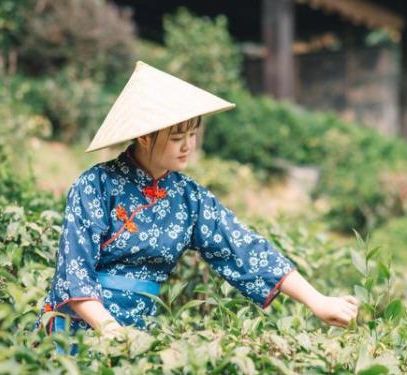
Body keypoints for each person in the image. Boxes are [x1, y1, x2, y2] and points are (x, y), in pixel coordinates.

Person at [33, 61, 359, 354]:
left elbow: (244, 248)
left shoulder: (190, 197)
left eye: (192, 133)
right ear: (144, 138)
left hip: (139, 335)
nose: (189, 145)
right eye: (177, 138)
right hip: (78, 327)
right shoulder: (94, 185)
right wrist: (109, 330)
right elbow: (73, 272)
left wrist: (318, 300)